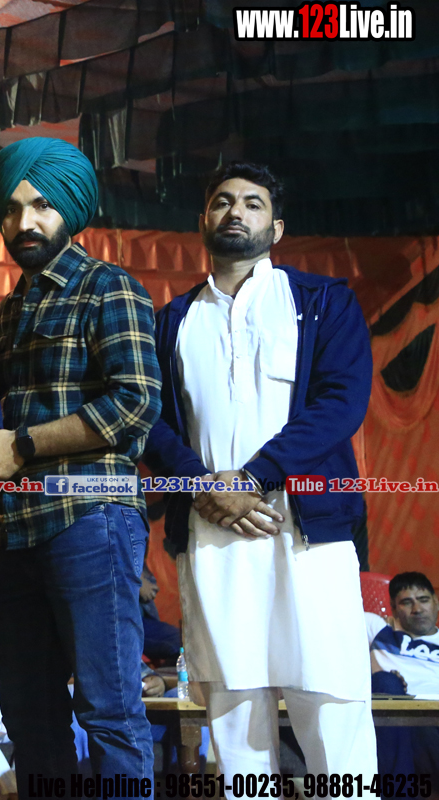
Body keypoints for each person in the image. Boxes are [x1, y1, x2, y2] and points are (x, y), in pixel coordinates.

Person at [143, 161, 375, 780]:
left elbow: (341, 402)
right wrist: (204, 487)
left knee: (332, 707)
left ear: (277, 228)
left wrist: (250, 480)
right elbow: (151, 420)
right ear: (202, 221)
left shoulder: (322, 302)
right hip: (212, 534)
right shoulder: (172, 321)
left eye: (252, 203)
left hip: (307, 535)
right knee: (234, 721)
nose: (236, 212)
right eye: (222, 201)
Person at [0, 138, 161, 783]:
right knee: (28, 715)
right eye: (11, 209)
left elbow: (135, 404)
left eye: (41, 206)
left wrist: (20, 444)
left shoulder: (108, 287)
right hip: (19, 529)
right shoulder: (11, 309)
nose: (24, 222)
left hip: (91, 518)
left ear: (70, 210)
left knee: (109, 710)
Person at [367, 572, 439, 771]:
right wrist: (373, 675)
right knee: (385, 682)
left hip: (435, 717)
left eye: (423, 600)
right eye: (406, 603)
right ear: (394, 609)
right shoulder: (380, 630)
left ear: (436, 602)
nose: (417, 609)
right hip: (400, 717)